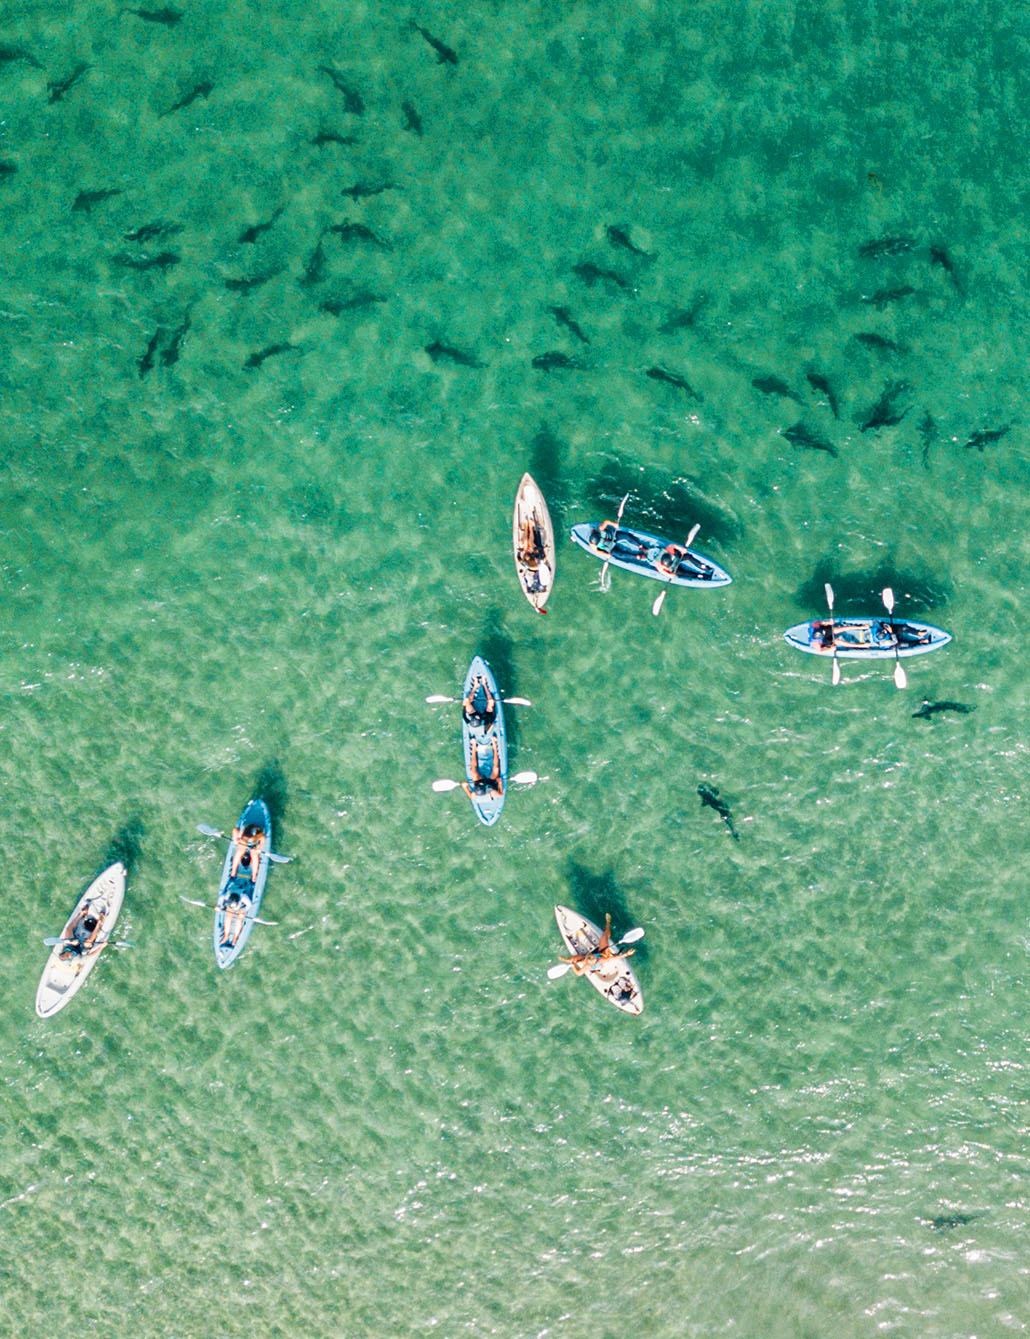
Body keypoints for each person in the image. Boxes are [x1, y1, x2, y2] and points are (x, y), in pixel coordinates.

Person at [560, 913, 635, 975]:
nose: (592, 956)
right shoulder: (598, 961)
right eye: (592, 957)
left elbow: (578, 973)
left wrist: (573, 966)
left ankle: (608, 924)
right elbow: (614, 958)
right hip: (602, 954)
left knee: (604, 936)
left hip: (600, 953)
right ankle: (608, 924)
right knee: (604, 937)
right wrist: (627, 954)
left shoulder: (591, 964)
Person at [461, 738, 504, 802]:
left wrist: (465, 787)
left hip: (479, 782)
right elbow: (501, 794)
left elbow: (470, 796)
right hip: (491, 783)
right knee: (496, 768)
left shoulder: (474, 795)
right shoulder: (493, 793)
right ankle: (494, 746)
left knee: (473, 771)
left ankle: (474, 746)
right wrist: (500, 783)